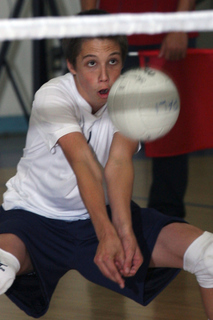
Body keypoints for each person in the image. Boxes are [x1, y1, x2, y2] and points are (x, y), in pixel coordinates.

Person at [0, 9, 212, 320]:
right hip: (33, 219)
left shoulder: (130, 97)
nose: (103, 76)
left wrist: (123, 230)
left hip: (94, 218)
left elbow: (118, 162)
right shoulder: (52, 96)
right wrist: (107, 233)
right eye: (91, 63)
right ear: (71, 65)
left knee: (207, 254)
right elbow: (83, 162)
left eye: (113, 61)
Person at [80, 0, 197, 218]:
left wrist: (179, 24)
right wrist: (90, 20)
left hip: (168, 37)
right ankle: (96, 214)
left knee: (170, 131)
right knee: (102, 128)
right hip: (111, 36)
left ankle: (167, 219)